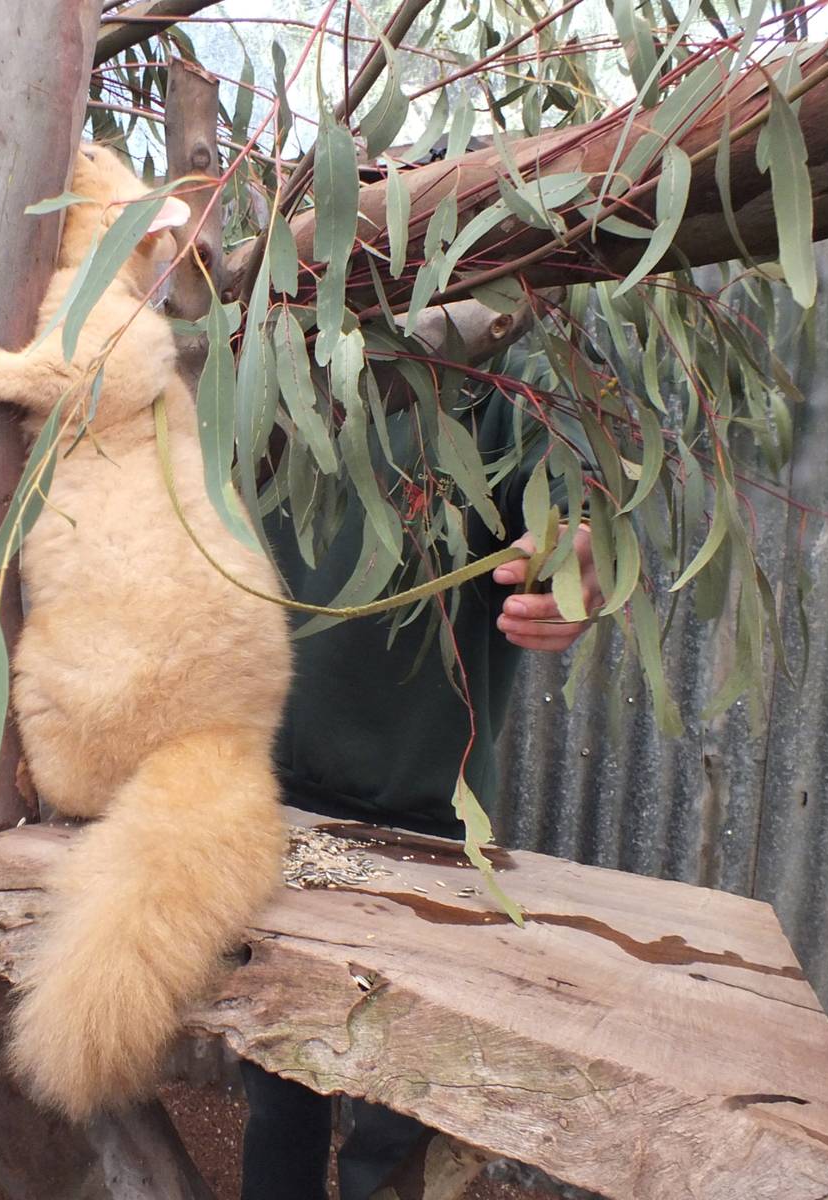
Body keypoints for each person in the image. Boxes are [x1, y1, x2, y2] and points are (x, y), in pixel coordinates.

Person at [243, 383, 601, 1200]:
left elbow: (570, 510)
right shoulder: (250, 358)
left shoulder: (498, 384)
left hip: (427, 820)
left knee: (405, 1104)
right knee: (274, 1086)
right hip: (261, 799)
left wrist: (583, 556)